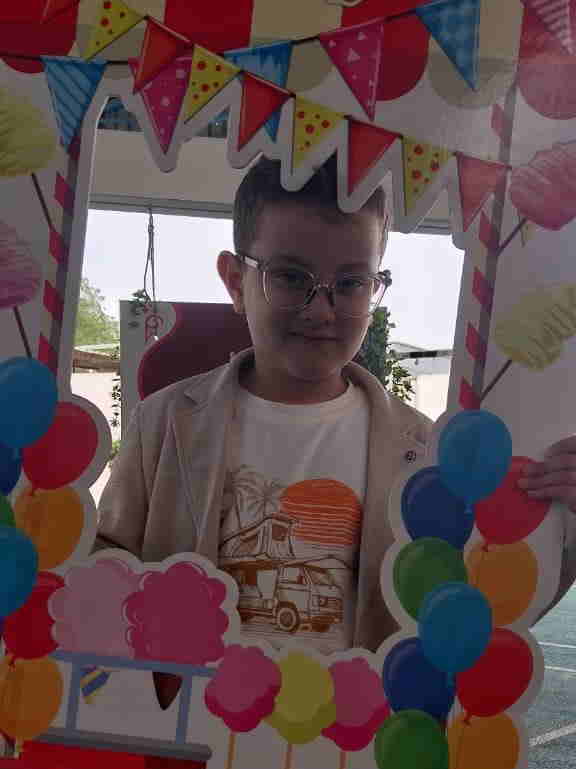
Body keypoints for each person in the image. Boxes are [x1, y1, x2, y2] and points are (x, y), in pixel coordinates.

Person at [97, 155, 576, 707]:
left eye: (350, 284)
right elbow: (103, 572)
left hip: (356, 742)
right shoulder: (162, 424)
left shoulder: (425, 453)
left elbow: (477, 615)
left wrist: (565, 530)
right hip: (186, 732)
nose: (321, 310)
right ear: (236, 281)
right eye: (289, 277)